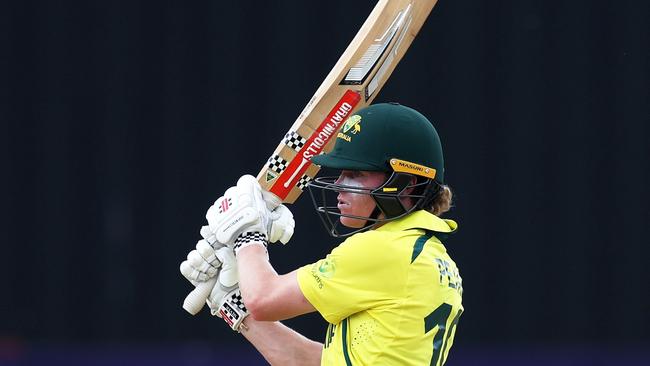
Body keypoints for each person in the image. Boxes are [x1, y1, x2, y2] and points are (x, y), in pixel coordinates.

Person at [181, 103, 463, 366]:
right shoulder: (435, 259)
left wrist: (246, 235)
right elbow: (307, 360)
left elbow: (264, 300)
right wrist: (230, 302)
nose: (339, 185)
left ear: (406, 183)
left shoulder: (385, 249)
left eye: (357, 173)